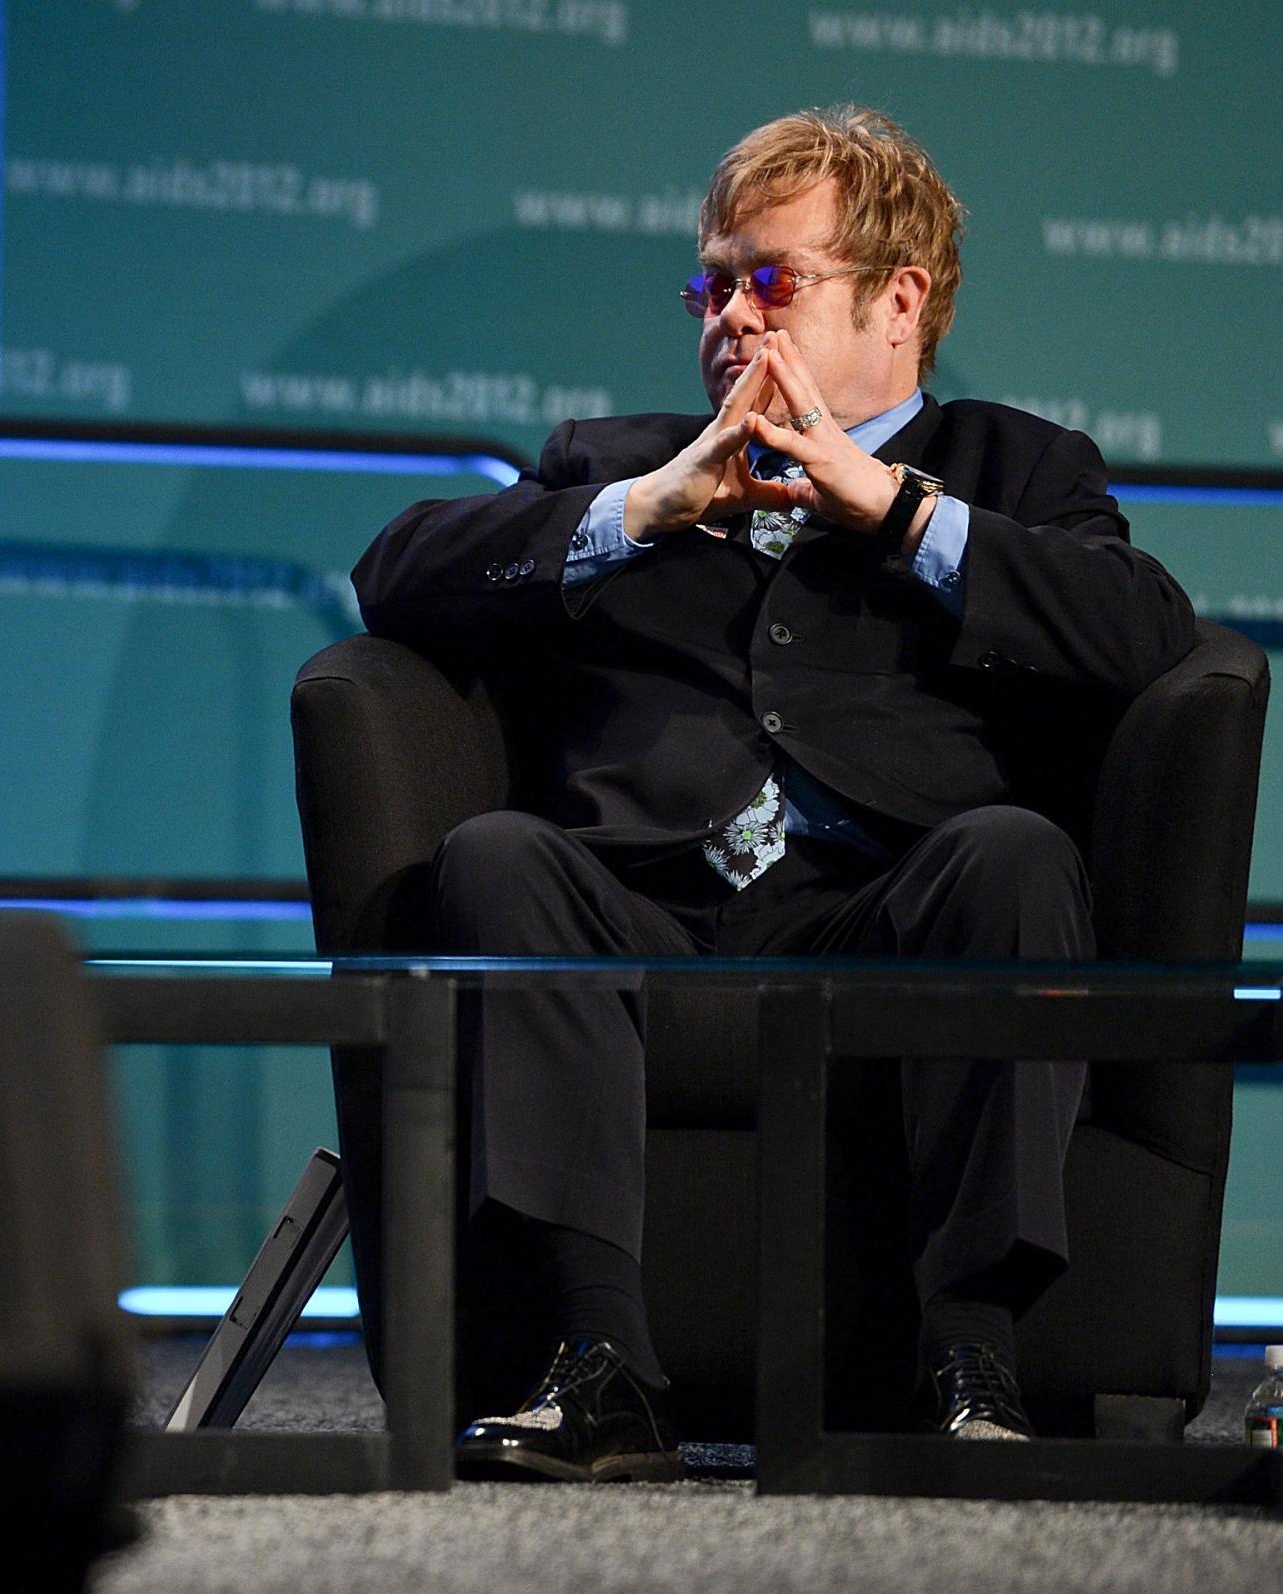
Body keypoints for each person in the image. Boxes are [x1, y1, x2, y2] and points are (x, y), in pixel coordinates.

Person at [349, 105, 1195, 1479]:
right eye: (711, 283)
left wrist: (898, 511)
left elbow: (1147, 632)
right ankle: (600, 1361)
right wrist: (645, 508)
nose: (729, 317)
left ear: (899, 299)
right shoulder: (612, 458)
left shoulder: (1017, 469)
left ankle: (967, 1356)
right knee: (501, 857)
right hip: (647, 911)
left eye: (772, 279)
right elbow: (396, 574)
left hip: (885, 917)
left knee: (1014, 853)